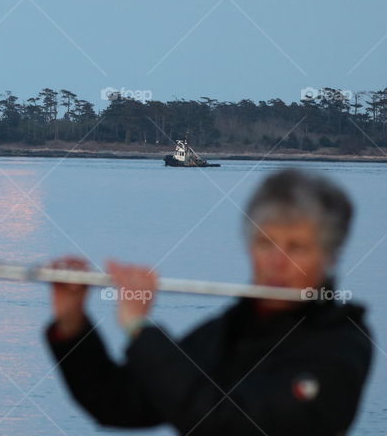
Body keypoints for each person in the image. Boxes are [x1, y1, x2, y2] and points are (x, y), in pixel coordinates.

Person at [45, 168, 374, 435]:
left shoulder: (340, 345)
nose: (277, 261)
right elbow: (121, 405)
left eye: (297, 247)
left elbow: (225, 424)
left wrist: (140, 328)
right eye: (265, 242)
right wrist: (73, 325)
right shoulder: (231, 330)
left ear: (330, 257)